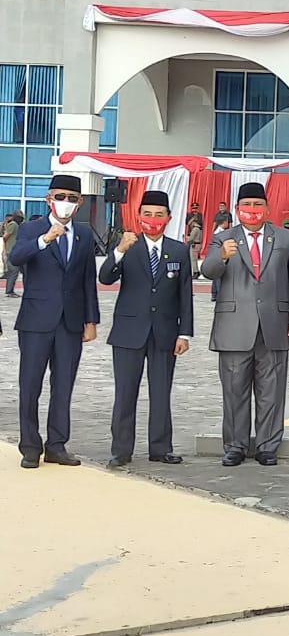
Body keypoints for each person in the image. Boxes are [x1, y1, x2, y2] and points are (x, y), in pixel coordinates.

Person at [202, 182, 289, 467]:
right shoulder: (223, 238)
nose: (252, 210)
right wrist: (222, 255)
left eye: (258, 204)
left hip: (274, 324)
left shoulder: (284, 238)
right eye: (246, 205)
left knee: (271, 391)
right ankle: (235, 446)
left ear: (267, 208)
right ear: (237, 209)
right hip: (234, 327)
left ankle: (267, 445)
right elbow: (208, 271)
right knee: (234, 391)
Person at [10, 175, 100, 468]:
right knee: (30, 384)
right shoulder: (31, 229)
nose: (66, 202)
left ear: (80, 202)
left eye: (72, 198)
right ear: (49, 199)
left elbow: (87, 279)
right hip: (36, 320)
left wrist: (91, 320)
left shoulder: (83, 234)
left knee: (63, 385)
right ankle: (30, 446)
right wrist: (45, 239)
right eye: (60, 196)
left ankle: (57, 445)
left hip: (70, 322)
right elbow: (15, 258)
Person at [99, 190, 193, 468]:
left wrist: (184, 333)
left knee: (161, 392)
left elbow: (185, 294)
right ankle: (121, 449)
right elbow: (105, 278)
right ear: (139, 216)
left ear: (169, 217)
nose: (153, 219)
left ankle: (160, 447)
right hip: (129, 331)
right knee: (125, 393)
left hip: (165, 332)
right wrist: (119, 250)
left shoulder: (179, 250)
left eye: (159, 214)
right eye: (148, 214)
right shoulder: (129, 246)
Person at [3, 211, 21, 296]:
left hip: (13, 250)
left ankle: (10, 290)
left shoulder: (16, 225)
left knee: (13, 272)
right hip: (11, 251)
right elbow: (5, 236)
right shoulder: (13, 224)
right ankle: (9, 291)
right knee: (13, 271)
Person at [186, 214, 204, 279]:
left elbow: (191, 238)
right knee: (194, 259)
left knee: (193, 259)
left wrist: (186, 237)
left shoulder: (195, 229)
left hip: (194, 245)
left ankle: (195, 271)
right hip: (198, 244)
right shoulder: (199, 229)